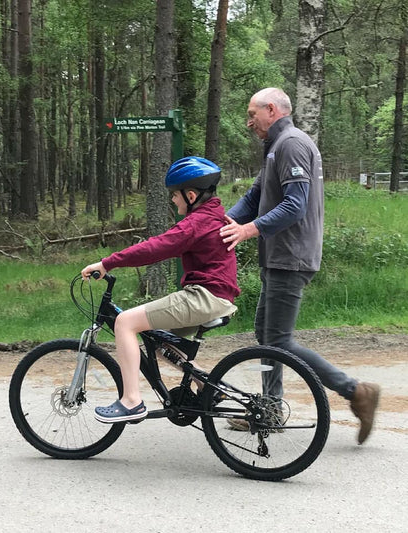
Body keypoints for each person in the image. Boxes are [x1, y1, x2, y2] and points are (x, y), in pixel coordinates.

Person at [220, 87, 380, 444]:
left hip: (290, 257)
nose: (249, 122)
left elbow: (296, 204)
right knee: (267, 335)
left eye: (252, 114)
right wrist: (218, 227)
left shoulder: (291, 143)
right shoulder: (276, 147)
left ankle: (355, 391)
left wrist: (248, 230)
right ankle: (271, 408)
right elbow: (254, 198)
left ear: (272, 110)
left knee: (277, 340)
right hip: (279, 256)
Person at [82, 156, 240, 423]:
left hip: (204, 296)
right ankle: (209, 386)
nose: (173, 200)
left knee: (124, 322)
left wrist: (108, 263)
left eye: (175, 195)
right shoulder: (213, 216)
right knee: (155, 339)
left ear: (191, 195)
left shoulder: (197, 223)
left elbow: (156, 247)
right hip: (215, 297)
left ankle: (131, 401)